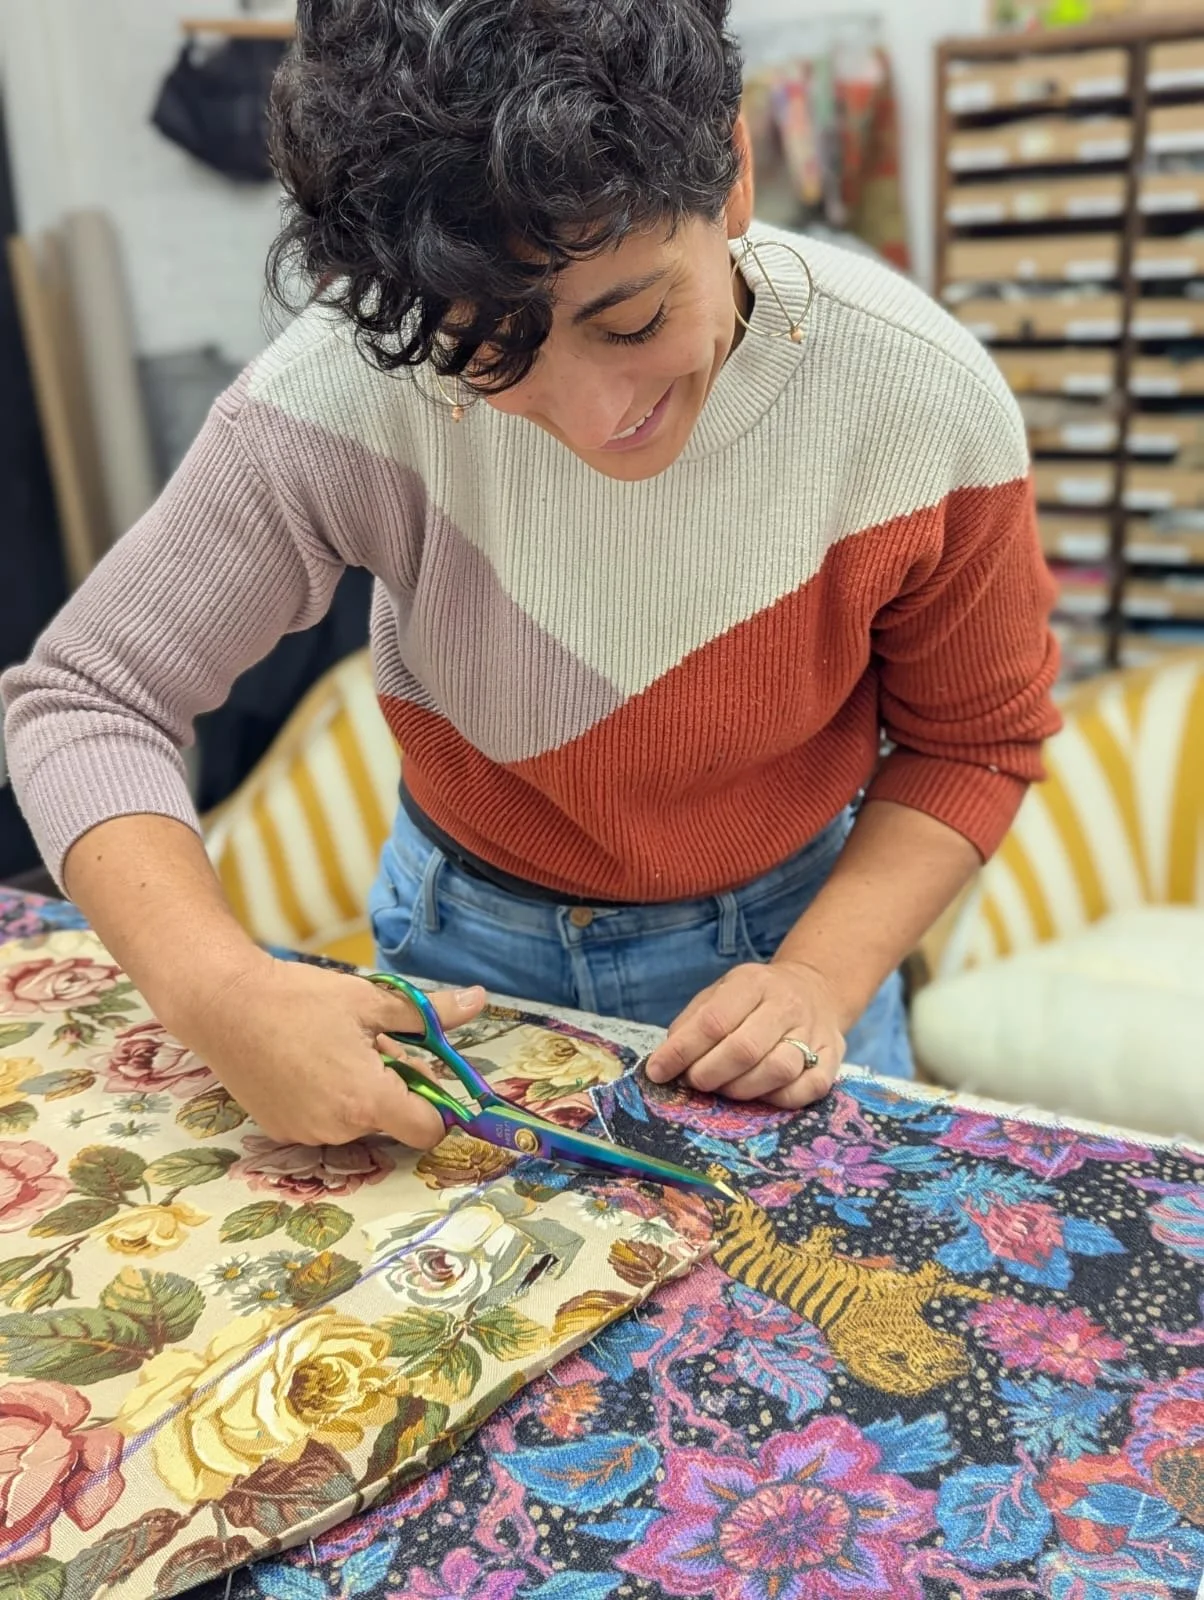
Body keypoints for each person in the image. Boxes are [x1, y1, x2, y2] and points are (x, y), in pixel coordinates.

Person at [1, 0, 1059, 1154]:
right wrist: (218, 990)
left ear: (734, 170)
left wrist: (817, 973)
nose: (599, 418)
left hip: (796, 949)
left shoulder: (917, 399)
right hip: (467, 949)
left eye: (632, 315)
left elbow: (973, 740)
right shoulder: (352, 384)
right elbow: (87, 699)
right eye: (487, 352)